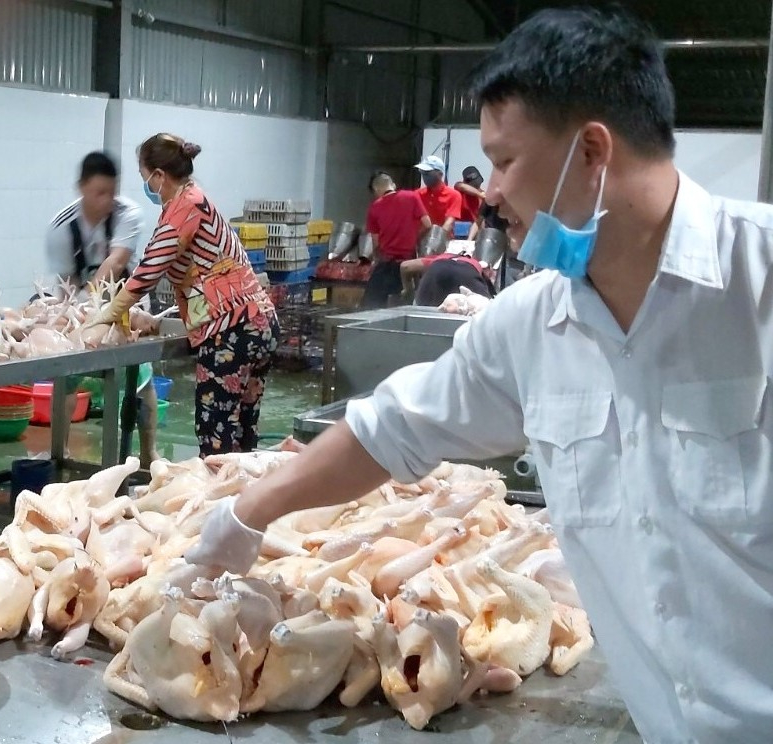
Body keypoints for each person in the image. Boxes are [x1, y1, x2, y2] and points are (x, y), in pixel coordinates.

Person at [186, 7, 773, 744]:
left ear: (592, 152)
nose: (488, 193)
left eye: (505, 160)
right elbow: (390, 430)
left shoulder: (761, 286)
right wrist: (247, 515)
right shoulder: (531, 327)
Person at [85, 133, 280, 457]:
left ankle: (220, 502)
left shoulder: (184, 208)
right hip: (257, 323)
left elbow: (148, 272)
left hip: (232, 333)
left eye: (144, 176)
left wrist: (104, 315)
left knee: (215, 431)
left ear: (159, 176)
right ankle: (245, 500)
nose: (145, 184)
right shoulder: (195, 199)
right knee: (243, 430)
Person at [46, 151, 160, 467]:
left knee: (140, 378)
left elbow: (117, 261)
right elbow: (65, 283)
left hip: (126, 306)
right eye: (99, 193)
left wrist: (96, 308)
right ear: (81, 187)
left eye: (112, 192)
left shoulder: (128, 214)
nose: (106, 200)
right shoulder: (61, 227)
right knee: (65, 375)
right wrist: (74, 313)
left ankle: (149, 452)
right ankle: (61, 452)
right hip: (80, 305)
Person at [362, 171, 431, 308]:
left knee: (371, 306)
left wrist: (375, 261)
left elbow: (376, 244)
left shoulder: (375, 207)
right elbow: (428, 224)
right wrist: (415, 238)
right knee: (406, 304)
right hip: (409, 263)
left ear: (376, 189)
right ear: (392, 185)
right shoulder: (412, 197)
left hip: (387, 263)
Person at [399, 252, 495, 307]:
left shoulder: (437, 258)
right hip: (468, 272)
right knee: (484, 310)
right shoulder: (476, 263)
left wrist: (407, 290)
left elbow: (405, 266)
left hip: (437, 269)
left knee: (420, 311)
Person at [414, 154, 463, 235]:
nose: (424, 176)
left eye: (427, 173)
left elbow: (449, 222)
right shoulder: (417, 194)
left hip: (443, 240)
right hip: (420, 240)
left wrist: (436, 239)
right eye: (422, 173)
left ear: (440, 174)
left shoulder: (454, 195)